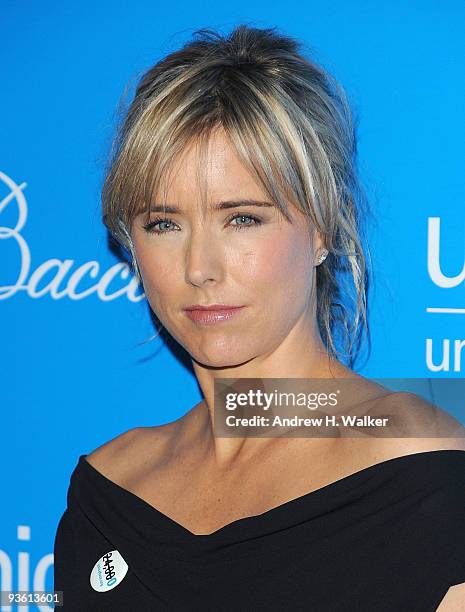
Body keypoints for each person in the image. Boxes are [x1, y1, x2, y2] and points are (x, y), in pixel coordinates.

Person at [53, 24, 465, 611]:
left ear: (323, 226)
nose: (200, 267)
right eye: (163, 224)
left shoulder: (431, 476)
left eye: (242, 218)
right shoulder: (109, 487)